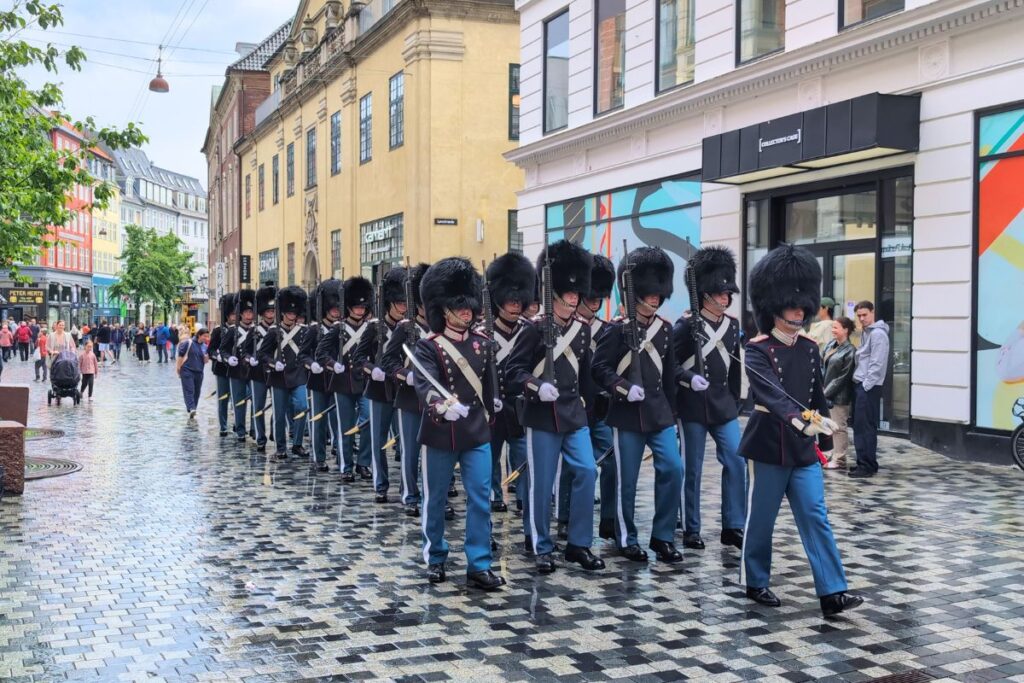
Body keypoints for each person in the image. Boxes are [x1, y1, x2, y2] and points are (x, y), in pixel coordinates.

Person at [739, 243, 863, 618]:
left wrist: (825, 430)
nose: (798, 310)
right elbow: (770, 396)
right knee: (761, 519)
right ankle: (756, 580)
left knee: (815, 514)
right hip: (769, 445)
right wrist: (800, 420)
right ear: (774, 305)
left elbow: (816, 394)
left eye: (802, 304)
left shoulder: (810, 347)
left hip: (804, 448)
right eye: (791, 304)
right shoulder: (757, 349)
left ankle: (832, 591)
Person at [507, 240, 605, 573]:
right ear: (556, 293)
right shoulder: (534, 330)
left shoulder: (581, 330)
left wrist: (603, 401)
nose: (575, 299)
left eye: (578, 294)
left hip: (573, 414)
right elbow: (513, 372)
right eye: (570, 294)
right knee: (542, 482)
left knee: (588, 471)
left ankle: (579, 543)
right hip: (541, 415)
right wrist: (535, 387)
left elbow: (586, 374)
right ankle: (540, 543)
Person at [412, 257, 504, 591]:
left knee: (480, 495)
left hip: (475, 430)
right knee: (435, 498)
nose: (467, 311)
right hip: (440, 432)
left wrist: (495, 401)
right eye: (458, 306)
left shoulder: (482, 343)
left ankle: (478, 563)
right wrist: (440, 406)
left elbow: (489, 382)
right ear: (444, 309)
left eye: (468, 305)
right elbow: (424, 384)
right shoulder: (428, 347)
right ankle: (436, 556)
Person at [593, 246, 684, 564]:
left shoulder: (666, 330)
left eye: (659, 292)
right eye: (650, 292)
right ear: (636, 293)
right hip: (627, 414)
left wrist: (673, 415)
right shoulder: (616, 329)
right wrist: (620, 388)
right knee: (625, 479)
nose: (656, 298)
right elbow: (599, 368)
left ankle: (663, 536)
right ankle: (625, 536)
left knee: (674, 468)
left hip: (659, 412)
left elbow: (669, 376)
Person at [673, 245, 747, 552]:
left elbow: (734, 367)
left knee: (737, 460)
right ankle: (691, 527)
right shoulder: (686, 325)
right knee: (692, 469)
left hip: (722, 405)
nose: (726, 297)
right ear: (705, 294)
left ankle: (733, 524)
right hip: (691, 406)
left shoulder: (732, 325)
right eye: (720, 293)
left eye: (728, 293)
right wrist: (690, 379)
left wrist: (734, 399)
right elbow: (671, 366)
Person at [560, 254, 616, 541]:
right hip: (575, 404)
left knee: (609, 461)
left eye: (598, 298)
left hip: (602, 407)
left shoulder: (607, 329)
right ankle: (565, 516)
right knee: (574, 465)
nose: (594, 302)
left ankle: (609, 517)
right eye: (590, 297)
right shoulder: (565, 328)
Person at [482, 253, 535, 516]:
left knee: (523, 456)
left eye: (518, 302)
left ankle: (524, 496)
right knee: (490, 457)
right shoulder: (483, 332)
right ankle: (494, 494)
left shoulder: (529, 330)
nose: (515, 306)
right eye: (509, 301)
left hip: (519, 406)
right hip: (493, 407)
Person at [381, 263, 433, 515]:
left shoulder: (440, 329)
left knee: (435, 452)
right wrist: (404, 375)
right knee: (410, 451)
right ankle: (410, 494)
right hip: (411, 397)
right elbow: (388, 360)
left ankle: (435, 496)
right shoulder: (405, 328)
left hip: (435, 399)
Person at [355, 268, 407, 503]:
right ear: (389, 303)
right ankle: (380, 484)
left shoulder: (409, 328)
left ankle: (408, 488)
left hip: (404, 390)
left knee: (406, 444)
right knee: (379, 441)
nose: (403, 307)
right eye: (399, 303)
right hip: (379, 390)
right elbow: (359, 359)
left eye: (406, 302)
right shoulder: (374, 327)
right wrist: (371, 370)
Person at [316, 276, 374, 482]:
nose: (360, 310)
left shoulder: (371, 328)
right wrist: (333, 365)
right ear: (348, 308)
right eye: (356, 307)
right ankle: (345, 465)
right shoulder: (338, 329)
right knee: (345, 426)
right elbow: (321, 353)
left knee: (368, 421)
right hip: (343, 382)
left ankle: (364, 463)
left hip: (365, 382)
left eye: (363, 307)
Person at [258, 286, 310, 461]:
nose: (292, 315)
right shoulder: (274, 332)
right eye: (289, 312)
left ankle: (297, 444)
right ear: (283, 313)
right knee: (279, 415)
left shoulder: (303, 331)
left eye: (294, 312)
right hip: (279, 377)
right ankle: (280, 448)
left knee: (302, 407)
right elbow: (262, 354)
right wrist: (273, 363)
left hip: (298, 375)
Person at [303, 281, 341, 472]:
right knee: (318, 420)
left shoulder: (343, 329)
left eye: (337, 308)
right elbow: (303, 354)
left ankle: (340, 453)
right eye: (332, 308)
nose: (335, 311)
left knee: (339, 421)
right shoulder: (314, 329)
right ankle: (319, 456)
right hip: (318, 380)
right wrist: (313, 364)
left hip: (339, 380)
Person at [850, 301, 890, 479]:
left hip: (868, 387)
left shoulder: (878, 334)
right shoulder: (868, 333)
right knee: (862, 426)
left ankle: (865, 465)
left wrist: (865, 385)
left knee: (864, 427)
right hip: (864, 385)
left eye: (865, 314)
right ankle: (867, 463)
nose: (861, 318)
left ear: (873, 312)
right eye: (858, 315)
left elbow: (877, 364)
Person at [242, 283, 276, 452]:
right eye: (268, 311)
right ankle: (260, 437)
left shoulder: (279, 330)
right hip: (258, 373)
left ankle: (274, 432)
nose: (271, 314)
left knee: (278, 407)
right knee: (258, 406)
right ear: (263, 313)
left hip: (275, 372)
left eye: (273, 311)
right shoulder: (255, 331)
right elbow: (245, 352)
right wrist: (250, 359)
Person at [220, 290, 257, 443]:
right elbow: (223, 350)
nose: (249, 315)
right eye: (246, 312)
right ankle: (240, 429)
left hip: (254, 371)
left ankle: (255, 428)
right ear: (241, 314)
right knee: (239, 401)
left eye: (251, 312)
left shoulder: (257, 330)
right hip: (237, 371)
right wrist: (229, 358)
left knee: (256, 400)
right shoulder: (232, 331)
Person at [822, 317, 857, 470]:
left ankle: (840, 459)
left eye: (836, 327)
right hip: (826, 392)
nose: (833, 330)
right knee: (829, 426)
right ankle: (833, 454)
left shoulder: (850, 350)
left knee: (839, 427)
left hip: (840, 396)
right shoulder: (831, 345)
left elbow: (843, 377)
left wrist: (825, 392)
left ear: (845, 330)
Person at [208, 295, 235, 437]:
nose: (234, 317)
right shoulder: (219, 330)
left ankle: (238, 423)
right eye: (232, 314)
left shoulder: (241, 330)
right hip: (222, 368)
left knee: (239, 398)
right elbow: (210, 349)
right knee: (223, 398)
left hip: (238, 369)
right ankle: (223, 426)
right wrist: (217, 356)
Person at [177, 326, 209, 421]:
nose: (206, 338)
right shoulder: (188, 343)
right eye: (204, 336)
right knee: (189, 390)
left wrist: (206, 357)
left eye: (207, 336)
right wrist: (178, 369)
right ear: (199, 335)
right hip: (187, 370)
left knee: (197, 392)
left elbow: (205, 361)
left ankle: (192, 408)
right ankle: (192, 408)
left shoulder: (205, 346)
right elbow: (180, 356)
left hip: (199, 372)